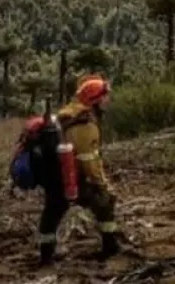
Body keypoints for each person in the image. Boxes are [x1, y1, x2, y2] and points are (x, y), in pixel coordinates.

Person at [37, 74, 120, 266]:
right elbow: (89, 161)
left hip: (53, 176)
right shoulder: (85, 124)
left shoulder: (68, 114)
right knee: (104, 203)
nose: (108, 100)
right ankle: (110, 246)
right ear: (96, 99)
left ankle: (45, 256)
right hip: (72, 177)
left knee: (51, 214)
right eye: (105, 96)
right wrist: (103, 185)